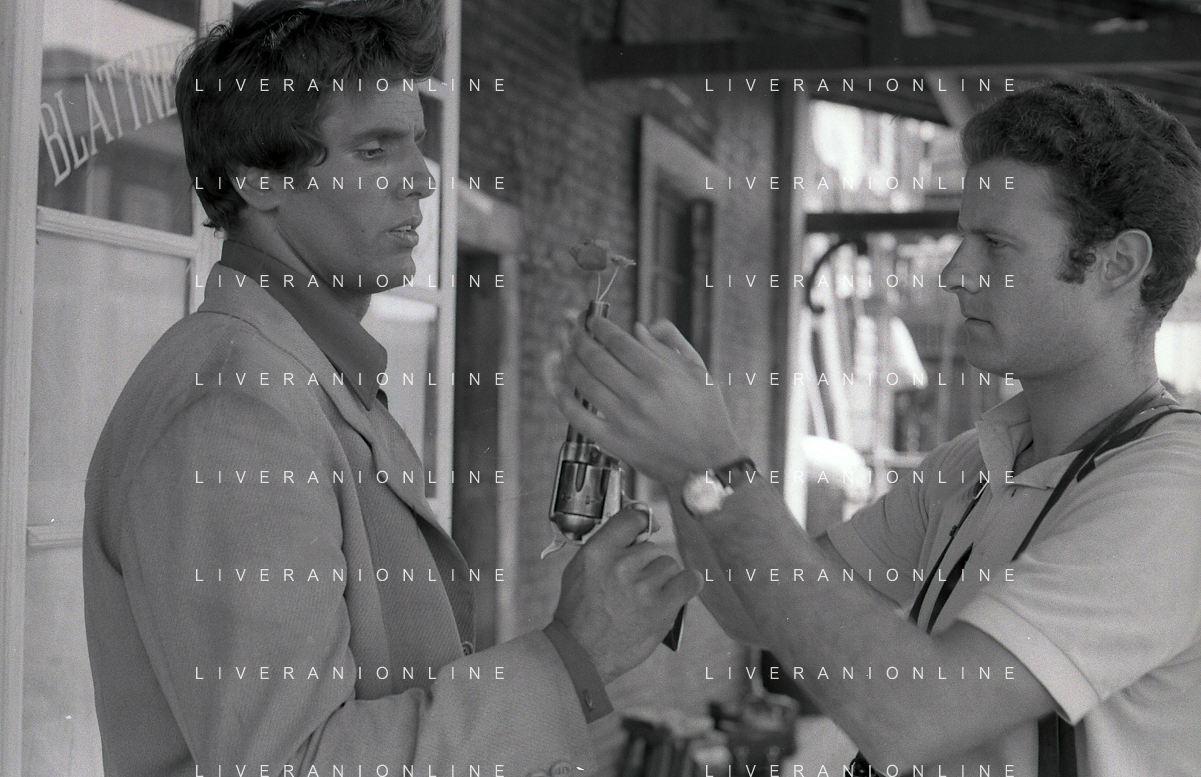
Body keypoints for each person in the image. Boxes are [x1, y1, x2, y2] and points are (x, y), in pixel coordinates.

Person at [82, 2, 700, 776]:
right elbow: (296, 763)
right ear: (258, 179)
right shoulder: (236, 407)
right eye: (374, 148)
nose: (421, 179)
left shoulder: (310, 374)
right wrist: (570, 659)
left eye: (416, 142)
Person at [548, 81, 1201, 776]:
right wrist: (682, 461)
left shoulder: (1174, 491)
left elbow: (915, 715)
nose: (954, 272)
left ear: (1117, 264)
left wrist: (715, 466)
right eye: (963, 237)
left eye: (995, 244)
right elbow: (753, 608)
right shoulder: (975, 465)